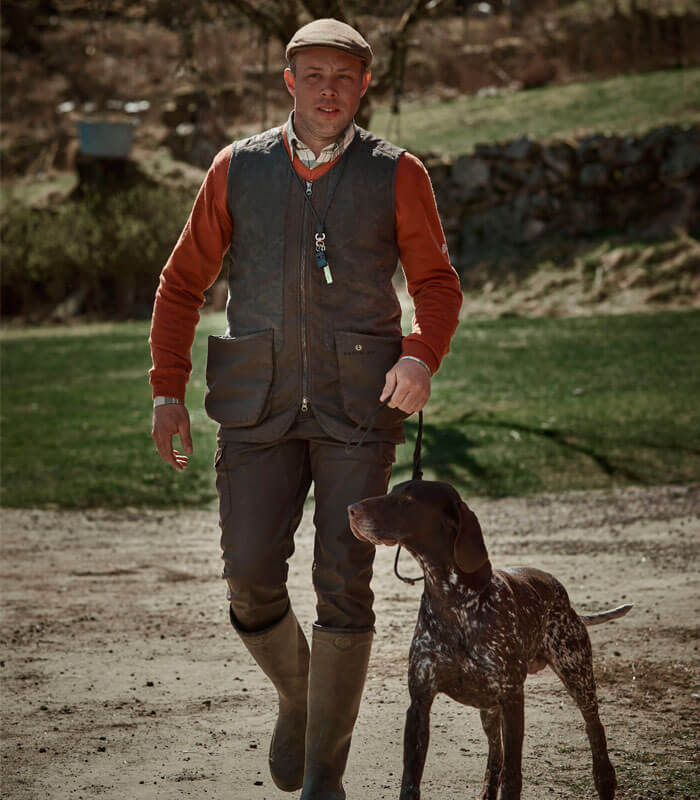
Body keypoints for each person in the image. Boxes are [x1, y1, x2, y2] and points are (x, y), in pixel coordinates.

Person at [149, 18, 461, 800]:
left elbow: (436, 284)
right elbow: (182, 284)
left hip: (361, 407)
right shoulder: (234, 169)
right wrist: (166, 389)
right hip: (255, 405)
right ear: (288, 80)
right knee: (249, 576)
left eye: (344, 76)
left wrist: (421, 355)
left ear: (364, 86)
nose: (328, 88)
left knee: (343, 581)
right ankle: (299, 695)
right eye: (313, 73)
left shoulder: (400, 174)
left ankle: (326, 771)